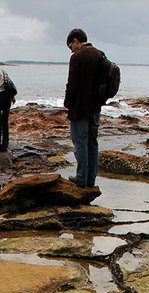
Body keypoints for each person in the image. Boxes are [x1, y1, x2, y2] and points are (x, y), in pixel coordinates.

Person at [64, 28, 103, 188]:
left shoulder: (77, 57)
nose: (71, 50)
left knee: (80, 143)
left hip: (80, 108)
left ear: (75, 40)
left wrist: (67, 103)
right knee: (92, 143)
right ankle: (90, 180)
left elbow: (72, 85)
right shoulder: (100, 54)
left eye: (70, 46)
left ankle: (81, 179)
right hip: (95, 107)